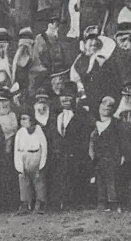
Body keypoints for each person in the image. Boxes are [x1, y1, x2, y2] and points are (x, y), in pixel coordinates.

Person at [52, 81, 93, 210]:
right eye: (62, 95)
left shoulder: (83, 116)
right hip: (61, 156)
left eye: (69, 95)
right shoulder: (56, 116)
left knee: (76, 178)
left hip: (77, 157)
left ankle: (77, 202)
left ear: (75, 98)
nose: (65, 99)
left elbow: (85, 139)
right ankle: (63, 202)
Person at [89, 96, 125, 212]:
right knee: (100, 179)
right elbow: (92, 141)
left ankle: (113, 202)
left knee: (112, 180)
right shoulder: (96, 126)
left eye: (110, 106)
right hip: (99, 158)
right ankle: (102, 202)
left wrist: (122, 154)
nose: (106, 107)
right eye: (104, 104)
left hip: (112, 157)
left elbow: (121, 141)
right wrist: (92, 153)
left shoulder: (115, 125)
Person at [14, 110, 48, 215]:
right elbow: (17, 150)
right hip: (24, 159)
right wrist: (19, 166)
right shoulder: (20, 133)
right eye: (21, 119)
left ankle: (40, 204)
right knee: (24, 182)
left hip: (36, 158)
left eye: (25, 119)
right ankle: (25, 204)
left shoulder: (39, 131)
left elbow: (44, 149)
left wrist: (41, 165)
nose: (23, 121)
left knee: (38, 181)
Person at [114, 81, 131, 209]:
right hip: (124, 148)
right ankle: (123, 202)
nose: (130, 99)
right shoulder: (119, 115)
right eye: (127, 96)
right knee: (123, 175)